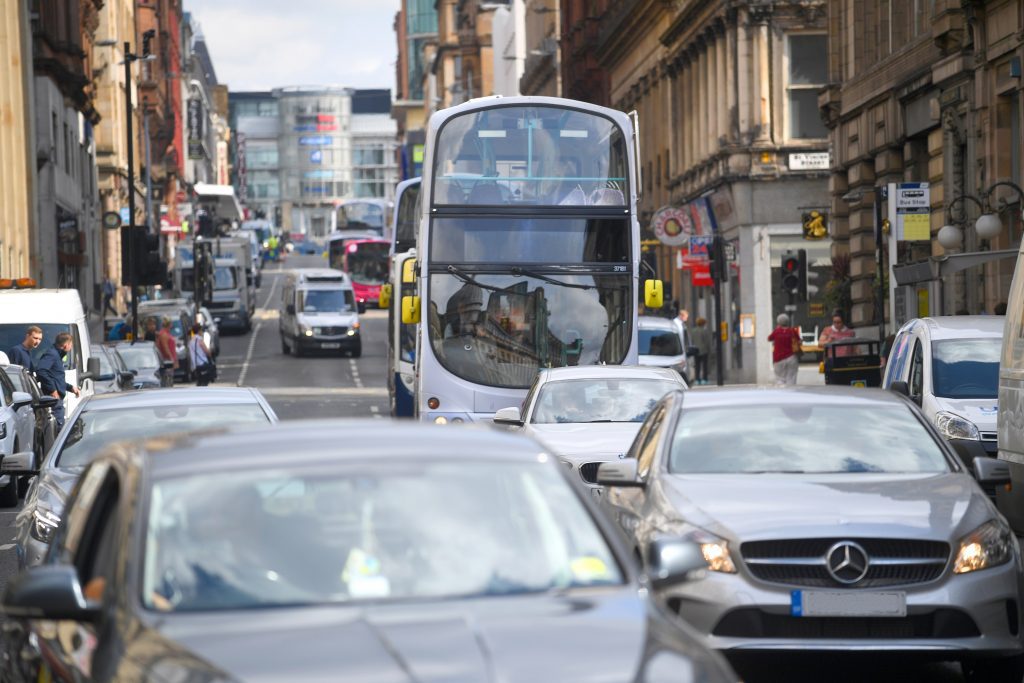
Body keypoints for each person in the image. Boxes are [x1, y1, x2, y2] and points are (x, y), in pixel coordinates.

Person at [36, 332, 80, 429]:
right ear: (66, 345)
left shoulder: (57, 355)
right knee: (58, 430)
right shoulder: (52, 354)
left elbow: (56, 378)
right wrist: (52, 389)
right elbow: (41, 370)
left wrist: (71, 387)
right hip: (53, 400)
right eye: (71, 345)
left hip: (56, 400)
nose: (71, 348)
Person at [767, 313, 801, 386]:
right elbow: (799, 341)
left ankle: (782, 394)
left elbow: (769, 338)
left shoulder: (776, 331)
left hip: (778, 359)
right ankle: (791, 394)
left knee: (780, 379)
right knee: (791, 378)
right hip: (792, 357)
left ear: (778, 322)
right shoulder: (792, 331)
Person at [156, 317, 178, 386]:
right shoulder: (164, 334)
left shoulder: (166, 333)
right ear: (169, 324)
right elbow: (166, 348)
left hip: (169, 360)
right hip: (167, 361)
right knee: (168, 379)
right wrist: (171, 359)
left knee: (170, 378)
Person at [690, 317, 713, 385]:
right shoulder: (704, 331)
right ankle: (704, 379)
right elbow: (707, 342)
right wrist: (709, 350)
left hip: (695, 350)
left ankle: (697, 379)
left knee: (697, 365)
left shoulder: (693, 331)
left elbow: (692, 341)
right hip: (704, 350)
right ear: (703, 323)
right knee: (704, 365)